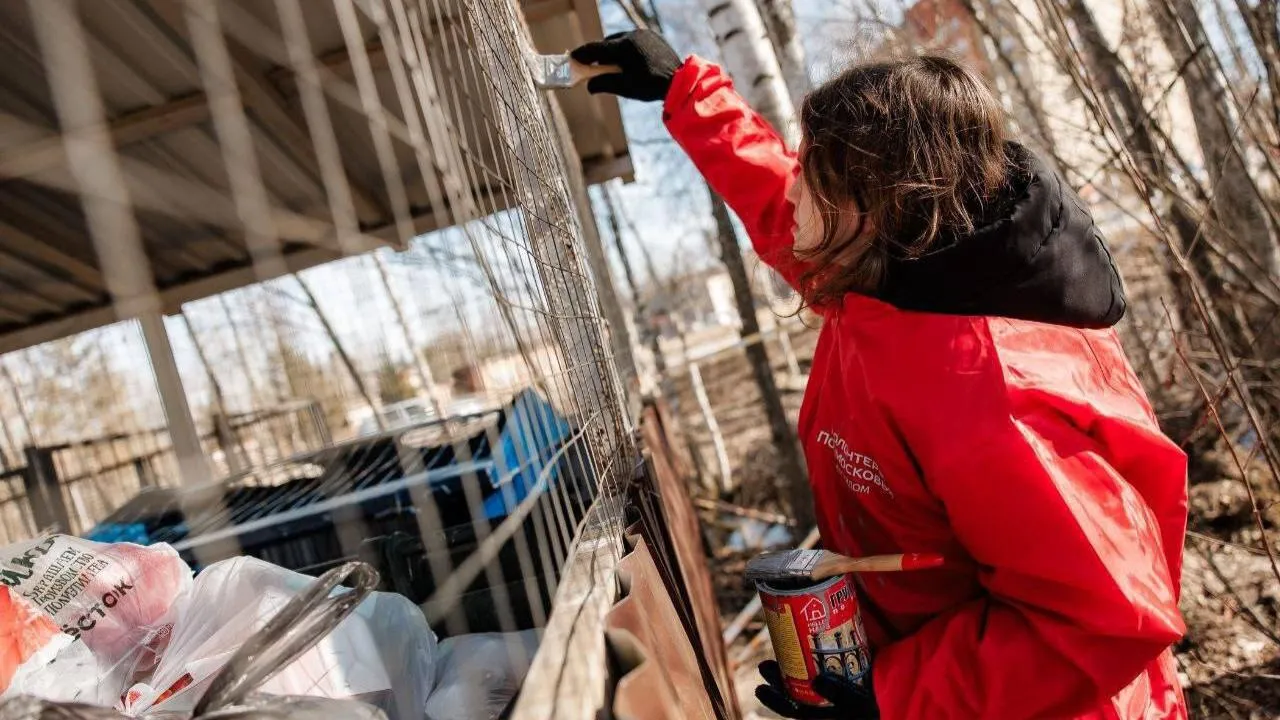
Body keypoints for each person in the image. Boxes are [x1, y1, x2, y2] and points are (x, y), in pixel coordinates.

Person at [571, 30, 1189, 720]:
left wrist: (893, 697)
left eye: (814, 175)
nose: (794, 188)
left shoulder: (995, 397)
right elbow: (777, 202)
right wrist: (687, 93)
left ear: (877, 205)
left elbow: (1104, 620)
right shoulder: (887, 275)